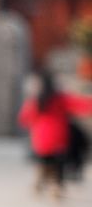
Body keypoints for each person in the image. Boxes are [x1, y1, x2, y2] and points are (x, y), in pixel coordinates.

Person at [19, 71, 92, 199]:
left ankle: (41, 178)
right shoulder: (61, 99)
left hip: (40, 141)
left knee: (45, 159)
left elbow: (24, 119)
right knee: (59, 161)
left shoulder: (36, 101)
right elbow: (82, 105)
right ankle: (56, 186)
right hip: (59, 139)